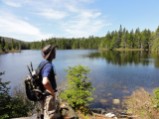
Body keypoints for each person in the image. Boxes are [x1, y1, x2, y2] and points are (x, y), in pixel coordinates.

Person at [39, 44, 57, 119]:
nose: (56, 53)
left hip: (43, 94)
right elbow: (45, 82)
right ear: (51, 53)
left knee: (44, 114)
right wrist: (52, 93)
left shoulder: (42, 63)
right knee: (50, 116)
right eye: (54, 51)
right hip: (48, 96)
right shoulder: (48, 65)